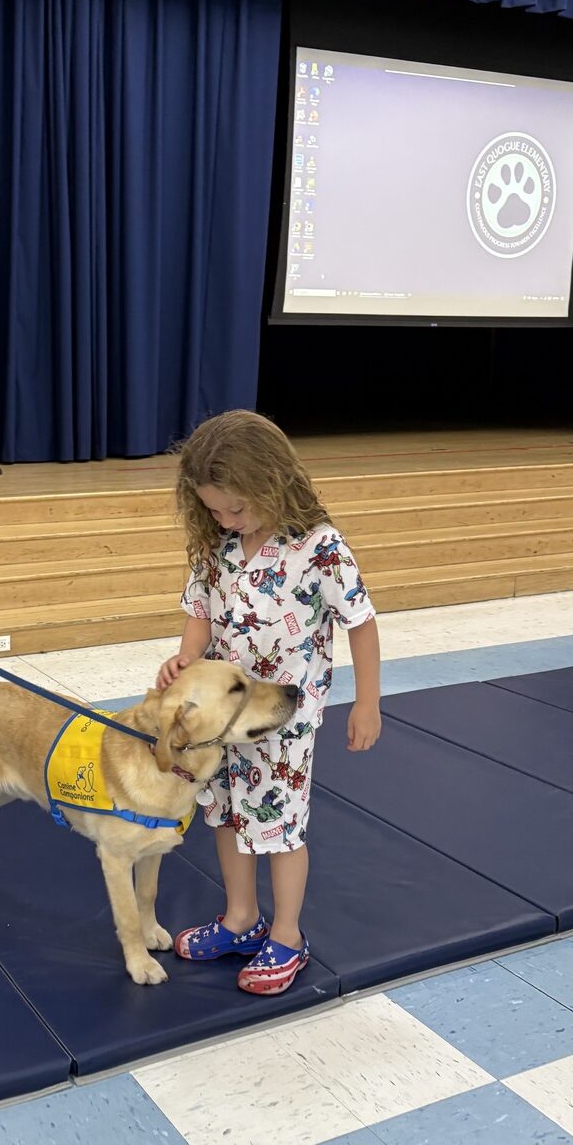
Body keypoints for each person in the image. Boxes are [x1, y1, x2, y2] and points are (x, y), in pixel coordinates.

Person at [157, 410, 381, 994]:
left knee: (277, 823)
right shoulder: (217, 546)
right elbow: (200, 612)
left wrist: (368, 702)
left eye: (236, 508)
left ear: (272, 483)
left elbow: (361, 622)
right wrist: (185, 662)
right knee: (225, 809)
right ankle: (240, 917)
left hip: (283, 718)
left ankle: (287, 935)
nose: (225, 519)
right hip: (219, 717)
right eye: (212, 509)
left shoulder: (320, 548)